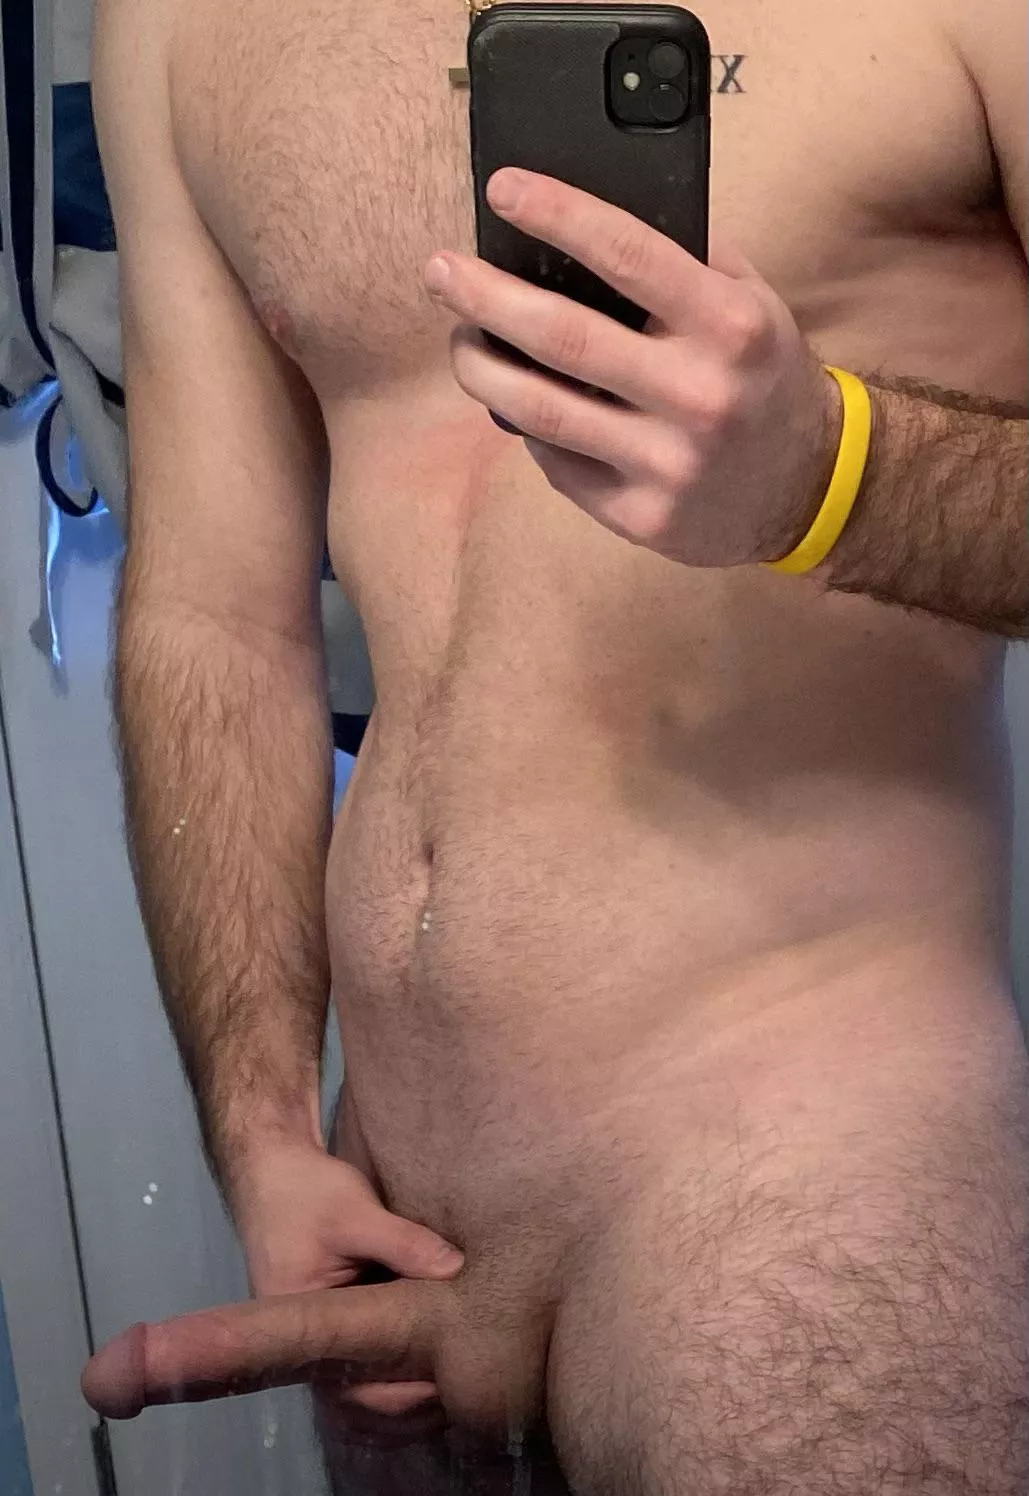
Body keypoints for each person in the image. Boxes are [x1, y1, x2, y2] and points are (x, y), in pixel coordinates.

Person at [83, 0, 1028, 1487]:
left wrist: (829, 474)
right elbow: (216, 617)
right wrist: (262, 1131)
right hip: (388, 1192)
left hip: (802, 1149)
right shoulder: (174, 20)